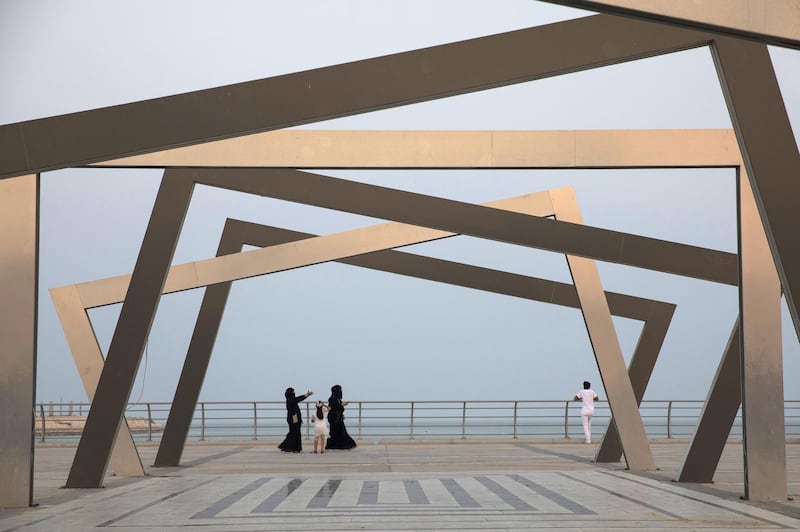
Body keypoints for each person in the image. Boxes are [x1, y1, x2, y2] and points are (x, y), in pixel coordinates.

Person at [278, 387, 313, 452]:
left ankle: (292, 447)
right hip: (294, 418)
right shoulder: (291, 400)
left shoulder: (290, 399)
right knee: (294, 432)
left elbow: (297, 399)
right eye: (293, 392)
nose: (294, 393)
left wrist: (306, 395)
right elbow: (298, 399)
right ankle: (288, 446)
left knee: (294, 432)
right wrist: (306, 395)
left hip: (292, 418)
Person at [325, 384, 357, 450]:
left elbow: (339, 407)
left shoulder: (337, 399)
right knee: (336, 431)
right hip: (334, 418)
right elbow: (333, 407)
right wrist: (342, 404)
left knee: (341, 431)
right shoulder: (332, 399)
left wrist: (342, 405)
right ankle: (336, 445)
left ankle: (342, 444)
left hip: (338, 418)